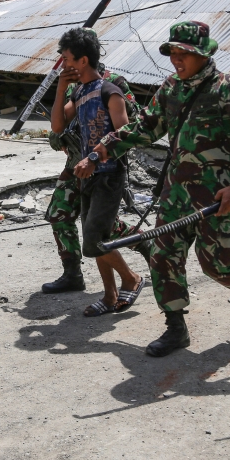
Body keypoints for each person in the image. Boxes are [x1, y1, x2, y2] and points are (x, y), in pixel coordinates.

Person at [93, 21, 230, 357]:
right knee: (162, 256)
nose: (176, 59)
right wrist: (107, 145)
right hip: (175, 193)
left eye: (183, 53)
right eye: (173, 52)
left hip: (215, 197)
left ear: (203, 55)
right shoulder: (170, 88)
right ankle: (176, 328)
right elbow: (147, 127)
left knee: (217, 266)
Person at [50, 28, 146, 316]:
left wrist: (94, 157)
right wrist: (59, 88)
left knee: (95, 239)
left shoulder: (110, 88)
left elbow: (126, 133)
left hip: (108, 172)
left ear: (81, 60)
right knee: (94, 234)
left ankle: (132, 277)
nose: (62, 64)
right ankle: (109, 295)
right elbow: (57, 127)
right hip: (84, 172)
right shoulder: (78, 90)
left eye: (66, 58)